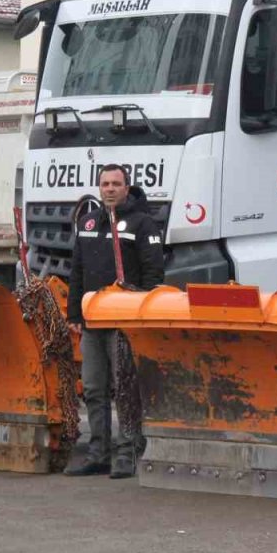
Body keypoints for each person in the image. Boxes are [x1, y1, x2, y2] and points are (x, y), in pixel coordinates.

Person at [64, 165, 165, 478]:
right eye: (105, 184)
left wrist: (142, 315)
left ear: (126, 187)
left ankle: (128, 452)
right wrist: (74, 314)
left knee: (125, 390)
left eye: (116, 184)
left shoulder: (142, 223)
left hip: (124, 322)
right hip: (92, 321)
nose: (109, 189)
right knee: (94, 388)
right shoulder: (88, 222)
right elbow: (77, 270)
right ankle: (98, 453)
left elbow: (153, 274)